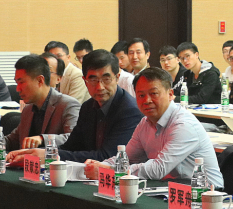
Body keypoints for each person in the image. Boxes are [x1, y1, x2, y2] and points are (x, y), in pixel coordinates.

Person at [92, 68, 223, 188]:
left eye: (154, 93)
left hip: (205, 193)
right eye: (141, 95)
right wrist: (101, 166)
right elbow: (127, 158)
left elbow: (158, 169)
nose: (147, 100)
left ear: (170, 94)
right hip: (168, 188)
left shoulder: (183, 125)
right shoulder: (144, 123)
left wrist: (112, 170)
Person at [8, 50, 142, 164]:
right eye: (93, 80)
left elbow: (107, 156)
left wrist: (50, 155)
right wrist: (33, 153)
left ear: (117, 77)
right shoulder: (88, 107)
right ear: (85, 81)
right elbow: (71, 147)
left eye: (106, 79)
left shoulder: (129, 111)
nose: (100, 87)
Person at [0, 54, 80, 152]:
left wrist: (42, 139)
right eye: (17, 83)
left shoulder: (67, 105)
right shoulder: (28, 110)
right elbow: (10, 141)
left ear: (40, 80)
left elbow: (74, 140)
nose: (18, 89)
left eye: (22, 82)